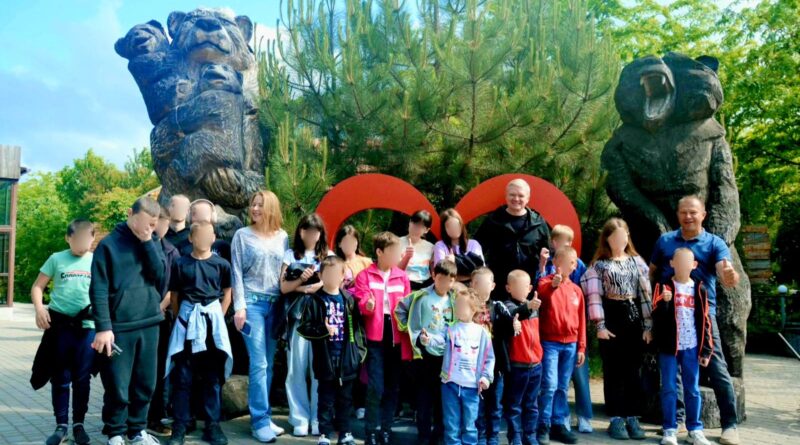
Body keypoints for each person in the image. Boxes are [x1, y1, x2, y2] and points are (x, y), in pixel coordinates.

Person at [649, 195, 741, 445]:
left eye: (693, 212)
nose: (688, 216)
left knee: (717, 367)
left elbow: (725, 272)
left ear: (703, 215)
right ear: (678, 214)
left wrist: (730, 275)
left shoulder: (714, 243)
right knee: (673, 373)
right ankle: (678, 422)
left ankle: (730, 425)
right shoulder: (665, 241)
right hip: (670, 317)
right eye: (683, 212)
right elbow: (652, 272)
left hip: (702, 317)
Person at [90, 196, 167, 445]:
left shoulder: (153, 241)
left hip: (149, 321)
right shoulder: (108, 245)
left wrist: (147, 242)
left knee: (146, 382)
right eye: (145, 223)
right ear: (130, 214)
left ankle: (137, 431)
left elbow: (160, 275)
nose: (148, 229)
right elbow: (98, 289)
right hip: (119, 327)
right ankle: (115, 432)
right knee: (117, 384)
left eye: (153, 225)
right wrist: (103, 327)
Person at [581, 218, 652, 441]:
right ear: (607, 239)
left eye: (624, 235)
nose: (621, 240)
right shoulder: (599, 265)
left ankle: (632, 416)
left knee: (633, 369)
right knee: (613, 370)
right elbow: (593, 296)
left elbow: (646, 293)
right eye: (616, 236)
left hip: (634, 317)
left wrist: (648, 325)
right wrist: (600, 325)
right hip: (611, 316)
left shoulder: (637, 261)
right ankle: (616, 418)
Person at [165, 222, 234, 445]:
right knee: (183, 378)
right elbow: (174, 296)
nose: (204, 239)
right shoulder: (181, 263)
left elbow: (227, 292)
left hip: (212, 325)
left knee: (212, 377)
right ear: (191, 238)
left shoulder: (221, 264)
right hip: (187, 323)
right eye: (199, 235)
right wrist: (182, 319)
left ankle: (212, 425)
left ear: (213, 238)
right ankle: (180, 426)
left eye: (208, 235)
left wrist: (218, 317)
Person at [30, 219, 97, 445]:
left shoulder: (96, 261)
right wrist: (40, 309)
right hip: (59, 327)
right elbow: (37, 286)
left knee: (82, 379)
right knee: (60, 378)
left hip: (87, 328)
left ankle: (79, 424)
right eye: (78, 239)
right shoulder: (56, 259)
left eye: (87, 238)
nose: (83, 243)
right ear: (68, 238)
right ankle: (61, 426)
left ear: (93, 238)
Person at [231, 190, 288, 443]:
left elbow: (285, 272)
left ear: (271, 208)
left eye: (260, 205)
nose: (254, 209)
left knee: (268, 364)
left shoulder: (283, 237)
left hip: (275, 305)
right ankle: (259, 422)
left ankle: (264, 415)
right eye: (253, 204)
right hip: (252, 305)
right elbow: (236, 272)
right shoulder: (242, 236)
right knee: (259, 363)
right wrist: (239, 307)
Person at [297, 256, 367, 445]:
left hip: (347, 358)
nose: (332, 277)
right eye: (328, 274)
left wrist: (359, 354)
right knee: (326, 399)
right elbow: (303, 328)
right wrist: (323, 330)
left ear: (343, 275)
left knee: (345, 399)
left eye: (336, 274)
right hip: (325, 358)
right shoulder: (314, 300)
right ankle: (325, 434)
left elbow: (358, 329)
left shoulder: (349, 300)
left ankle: (345, 433)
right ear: (321, 275)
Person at [352, 231, 411, 445]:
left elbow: (407, 305)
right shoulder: (365, 275)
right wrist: (367, 305)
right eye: (393, 251)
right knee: (375, 386)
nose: (397, 255)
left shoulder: (402, 276)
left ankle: (386, 429)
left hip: (397, 336)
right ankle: (370, 431)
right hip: (375, 336)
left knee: (393, 386)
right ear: (379, 252)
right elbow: (361, 300)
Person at [652, 248, 713, 445]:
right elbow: (656, 317)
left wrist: (706, 350)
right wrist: (665, 302)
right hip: (669, 347)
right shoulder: (663, 286)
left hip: (692, 346)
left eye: (687, 262)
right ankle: (669, 429)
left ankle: (695, 429)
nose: (683, 265)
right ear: (672, 263)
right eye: (678, 261)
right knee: (669, 388)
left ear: (694, 265)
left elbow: (706, 321)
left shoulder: (700, 289)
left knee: (692, 389)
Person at [535, 225, 592, 434]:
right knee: (549, 384)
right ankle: (544, 423)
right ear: (558, 263)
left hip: (571, 345)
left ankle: (559, 422)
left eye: (575, 262)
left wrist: (581, 347)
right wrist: (554, 285)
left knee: (562, 386)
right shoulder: (545, 282)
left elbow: (581, 321)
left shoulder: (576, 290)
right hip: (550, 343)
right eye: (571, 262)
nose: (575, 266)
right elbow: (542, 294)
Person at [395, 260, 458, 445]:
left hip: (446, 355)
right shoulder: (421, 296)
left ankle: (438, 435)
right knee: (424, 397)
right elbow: (399, 309)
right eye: (441, 279)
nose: (445, 284)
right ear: (433, 276)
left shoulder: (455, 298)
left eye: (449, 280)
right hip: (424, 354)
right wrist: (411, 332)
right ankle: (423, 436)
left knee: (442, 398)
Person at [281, 213, 332, 437]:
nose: (311, 234)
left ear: (320, 233)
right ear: (300, 232)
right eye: (306, 230)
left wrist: (318, 282)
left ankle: (317, 417)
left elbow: (334, 284)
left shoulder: (328, 255)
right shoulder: (290, 255)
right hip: (298, 316)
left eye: (315, 230)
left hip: (321, 317)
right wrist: (303, 283)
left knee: (319, 368)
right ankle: (299, 417)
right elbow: (283, 287)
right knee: (296, 367)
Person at [423, 288, 495, 445]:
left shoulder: (482, 333)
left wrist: (485, 377)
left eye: (462, 306)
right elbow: (439, 339)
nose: (457, 309)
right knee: (451, 425)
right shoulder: (450, 328)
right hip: (450, 385)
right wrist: (428, 339)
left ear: (473, 309)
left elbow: (489, 358)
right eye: (456, 305)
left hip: (472, 387)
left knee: (469, 426)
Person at [474, 179, 551, 300]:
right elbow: (477, 250)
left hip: (527, 289)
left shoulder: (538, 224)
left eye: (521, 196)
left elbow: (548, 254)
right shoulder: (493, 221)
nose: (516, 199)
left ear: (528, 198)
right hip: (498, 287)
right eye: (512, 195)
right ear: (506, 196)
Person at [470, 267, 518, 445]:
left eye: (485, 283)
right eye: (476, 283)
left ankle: (493, 436)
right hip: (473, 364)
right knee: (479, 405)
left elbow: (510, 322)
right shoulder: (468, 307)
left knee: (495, 404)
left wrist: (515, 324)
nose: (480, 286)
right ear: (472, 285)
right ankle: (481, 435)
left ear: (492, 286)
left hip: (495, 365)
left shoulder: (497, 306)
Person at [147, 207, 182, 436]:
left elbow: (174, 287)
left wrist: (159, 307)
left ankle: (155, 417)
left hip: (161, 318)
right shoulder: (139, 246)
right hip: (138, 318)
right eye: (159, 222)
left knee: (159, 370)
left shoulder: (172, 251)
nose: (162, 227)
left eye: (165, 223)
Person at [502, 270, 543, 445]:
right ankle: (515, 436)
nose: (521, 290)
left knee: (532, 404)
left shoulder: (533, 306)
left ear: (530, 288)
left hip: (536, 365)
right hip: (518, 366)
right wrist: (529, 307)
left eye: (524, 287)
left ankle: (530, 435)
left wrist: (531, 306)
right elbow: (516, 313)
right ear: (508, 288)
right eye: (517, 286)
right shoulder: (507, 306)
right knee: (514, 405)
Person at [433, 209, 484, 281]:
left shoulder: (474, 244)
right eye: (449, 226)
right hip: (450, 286)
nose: (454, 228)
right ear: (444, 229)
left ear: (461, 225)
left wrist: (454, 261)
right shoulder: (440, 246)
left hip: (473, 285)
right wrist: (469, 270)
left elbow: (480, 271)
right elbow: (442, 274)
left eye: (456, 225)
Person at [399, 210, 436, 291]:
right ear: (409, 222)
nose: (416, 227)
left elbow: (433, 270)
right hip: (401, 284)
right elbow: (393, 270)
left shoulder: (431, 247)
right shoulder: (397, 242)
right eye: (414, 223)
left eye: (420, 226)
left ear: (426, 230)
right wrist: (407, 257)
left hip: (424, 287)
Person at [334, 224, 373, 292]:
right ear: (339, 244)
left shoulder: (367, 262)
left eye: (352, 241)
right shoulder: (335, 264)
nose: (349, 244)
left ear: (357, 243)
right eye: (346, 241)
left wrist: (358, 280)